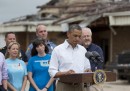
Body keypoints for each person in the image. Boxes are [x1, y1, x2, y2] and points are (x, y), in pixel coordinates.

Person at [49, 24, 91, 91]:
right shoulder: (57, 50)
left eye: (79, 36)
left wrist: (88, 70)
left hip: (80, 86)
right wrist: (65, 73)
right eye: (75, 36)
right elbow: (52, 71)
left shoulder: (83, 50)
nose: (77, 39)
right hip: (64, 86)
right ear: (68, 34)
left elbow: (87, 68)